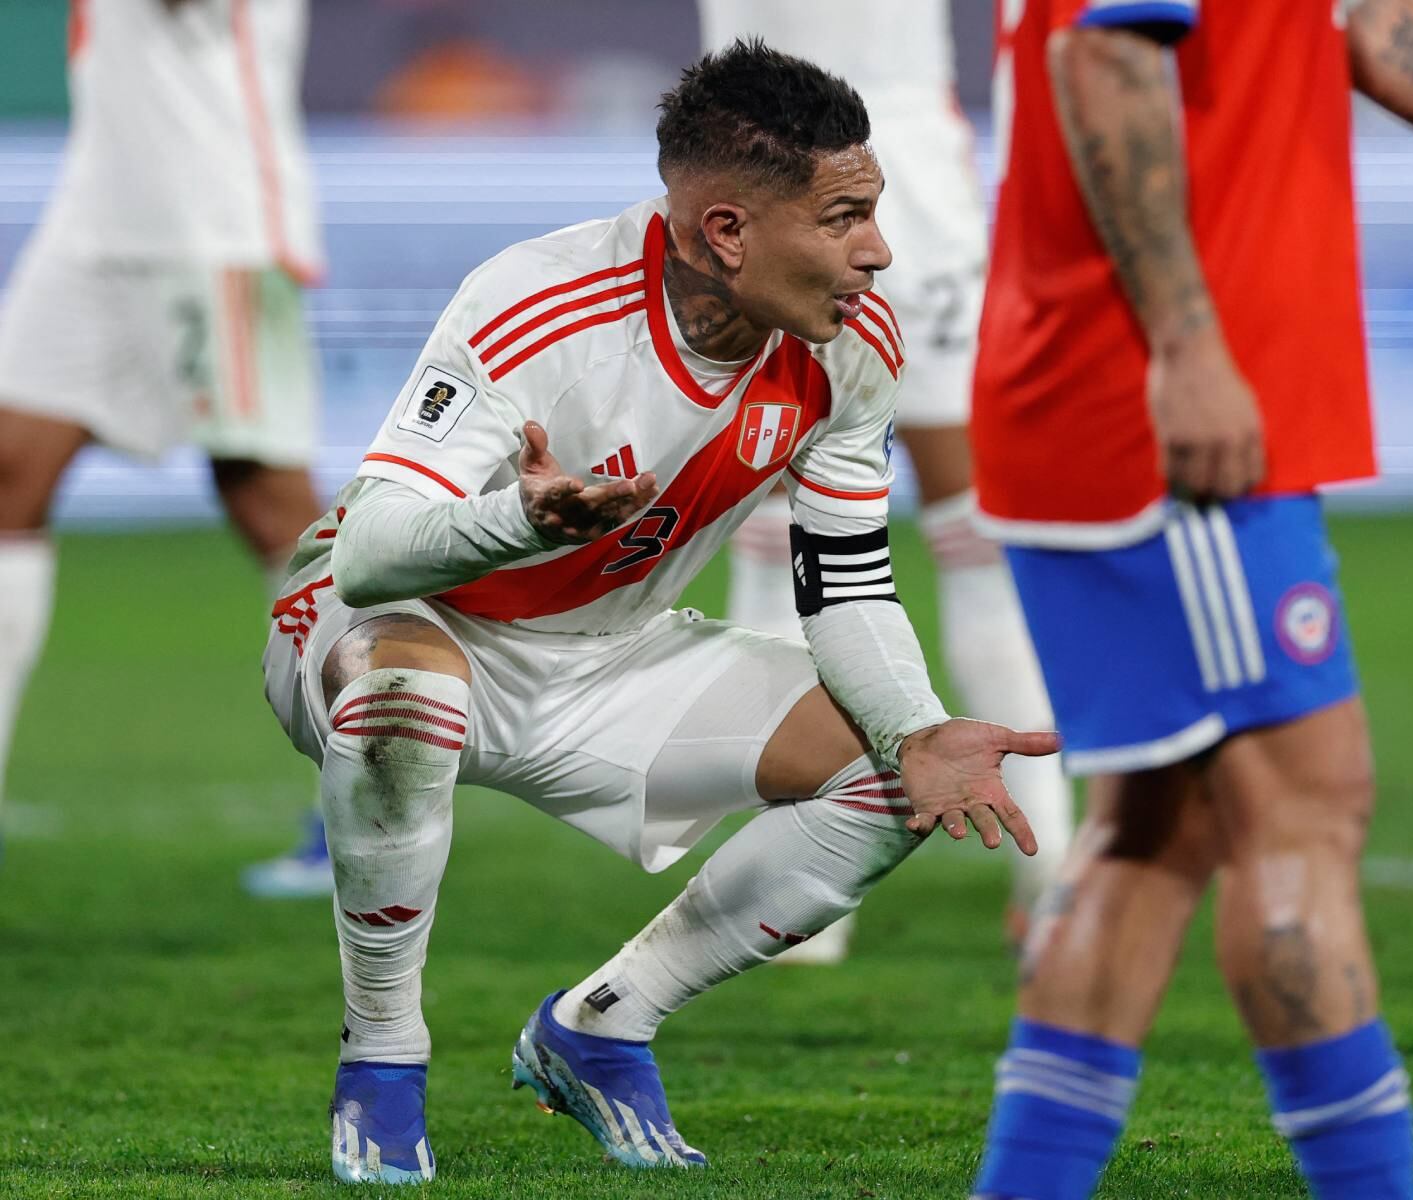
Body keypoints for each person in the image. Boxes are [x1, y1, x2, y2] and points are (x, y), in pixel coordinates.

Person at [262, 40, 1056, 1184]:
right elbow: (379, 551)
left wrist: (920, 724)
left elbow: (843, 582)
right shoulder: (537, 303)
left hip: (607, 654)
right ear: (726, 231)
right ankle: (383, 1061)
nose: (876, 253)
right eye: (843, 218)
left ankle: (600, 1026)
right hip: (398, 629)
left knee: (893, 770)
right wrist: (519, 524)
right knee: (408, 699)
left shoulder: (847, 346)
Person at [967, 1, 1413, 1198]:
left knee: (1151, 840)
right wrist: (1188, 347)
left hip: (1111, 398)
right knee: (1300, 812)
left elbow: (1362, 19)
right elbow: (1103, 52)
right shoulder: (1174, 366)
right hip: (1153, 412)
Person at [696, 0, 1072, 964]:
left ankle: (793, 919)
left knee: (773, 520)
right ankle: (1060, 874)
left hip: (766, 175)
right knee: (974, 529)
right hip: (911, 167)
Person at [0, 0, 332, 894]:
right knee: (7, 477)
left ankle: (370, 801)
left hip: (209, 215)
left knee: (271, 503)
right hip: (98, 215)